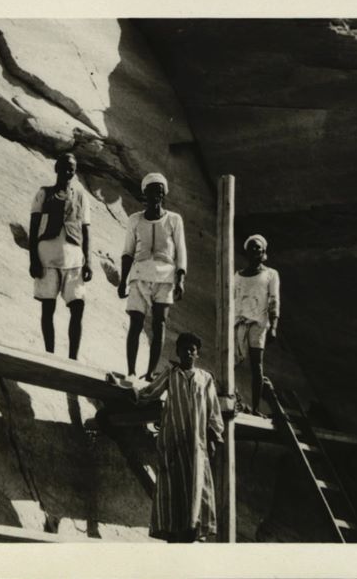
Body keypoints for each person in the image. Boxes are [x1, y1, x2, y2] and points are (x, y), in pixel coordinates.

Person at [134, 332, 224, 542]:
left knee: (196, 487)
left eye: (193, 350)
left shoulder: (205, 378)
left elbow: (213, 412)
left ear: (197, 354)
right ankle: (172, 535)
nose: (189, 353)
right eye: (185, 349)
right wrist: (129, 391)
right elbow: (150, 392)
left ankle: (192, 533)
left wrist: (214, 437)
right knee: (173, 488)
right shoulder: (171, 374)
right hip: (172, 442)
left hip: (196, 445)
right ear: (178, 352)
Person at [117, 173, 187, 381]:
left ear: (164, 194)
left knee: (160, 324)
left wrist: (180, 278)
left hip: (165, 277)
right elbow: (127, 252)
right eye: (151, 190)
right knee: (136, 323)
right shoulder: (135, 220)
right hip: (139, 276)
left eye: (159, 190)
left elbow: (181, 251)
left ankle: (150, 373)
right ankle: (130, 371)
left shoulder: (174, 220)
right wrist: (123, 281)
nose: (156, 194)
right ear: (144, 193)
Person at [28, 153, 92, 359]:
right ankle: (50, 355)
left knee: (78, 307)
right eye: (64, 167)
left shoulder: (81, 196)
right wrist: (33, 260)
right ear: (56, 168)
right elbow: (34, 227)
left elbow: (86, 231)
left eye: (72, 168)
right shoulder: (43, 193)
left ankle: (73, 358)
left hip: (74, 261)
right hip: (47, 259)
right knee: (48, 308)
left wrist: (88, 261)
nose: (68, 171)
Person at [234, 234, 280, 415]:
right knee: (234, 360)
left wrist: (274, 326)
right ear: (246, 252)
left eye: (258, 248)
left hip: (259, 323)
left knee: (256, 365)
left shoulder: (270, 274)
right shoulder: (238, 275)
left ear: (263, 252)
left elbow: (273, 300)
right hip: (239, 322)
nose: (255, 251)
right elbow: (233, 299)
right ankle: (232, 397)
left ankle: (255, 408)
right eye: (251, 248)